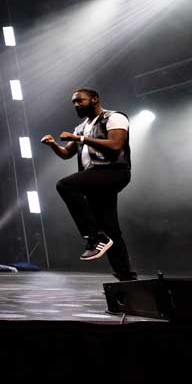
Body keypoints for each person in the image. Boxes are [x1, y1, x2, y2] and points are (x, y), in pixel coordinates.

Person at [41, 87, 138, 281]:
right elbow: (67, 154)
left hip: (114, 172)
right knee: (110, 228)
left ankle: (94, 237)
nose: (76, 105)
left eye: (80, 101)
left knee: (66, 185)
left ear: (94, 99)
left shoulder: (114, 117)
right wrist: (53, 144)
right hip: (94, 177)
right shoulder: (82, 126)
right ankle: (126, 276)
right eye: (74, 102)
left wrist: (79, 138)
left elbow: (115, 146)